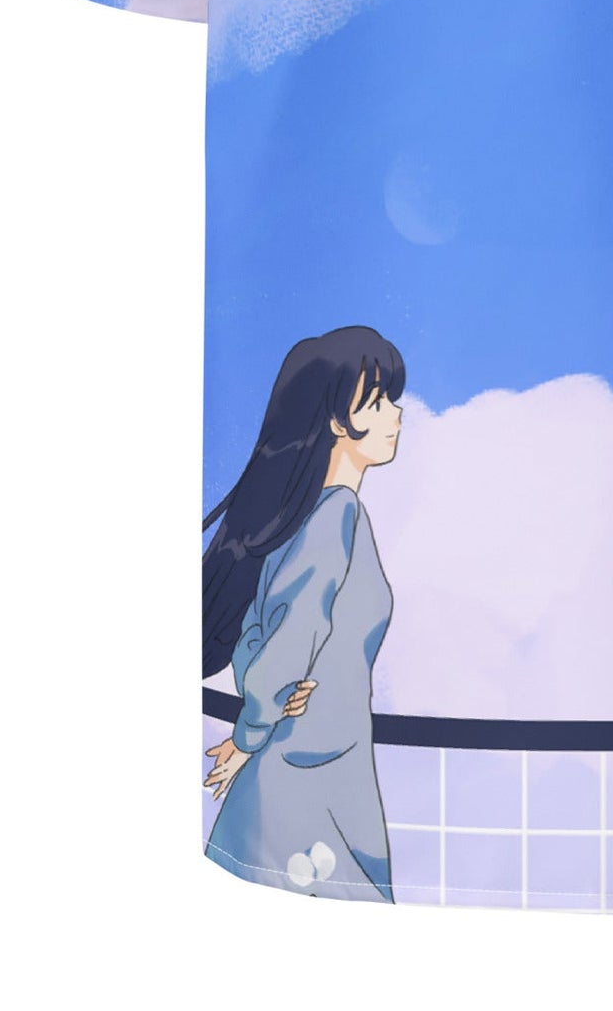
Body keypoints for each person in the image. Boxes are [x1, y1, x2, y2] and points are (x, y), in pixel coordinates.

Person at [200, 327, 406, 900]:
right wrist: (251, 730)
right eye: (377, 402)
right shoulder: (335, 516)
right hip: (309, 772)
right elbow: (291, 636)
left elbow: (258, 633)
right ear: (339, 421)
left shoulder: (314, 519)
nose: (396, 414)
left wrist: (260, 706)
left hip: (318, 761)